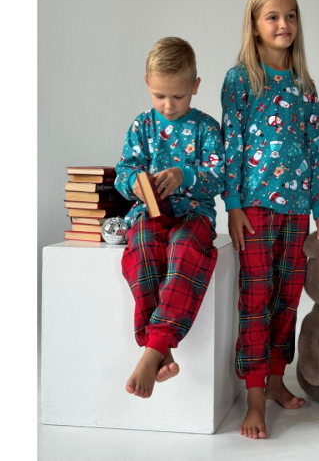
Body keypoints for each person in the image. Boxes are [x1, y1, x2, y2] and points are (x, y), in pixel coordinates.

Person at [220, 0, 319, 438]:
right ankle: (253, 397)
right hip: (254, 207)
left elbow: (316, 147)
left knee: (288, 296)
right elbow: (231, 145)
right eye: (272, 16)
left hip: (298, 208)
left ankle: (275, 379)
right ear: (254, 25)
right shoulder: (240, 80)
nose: (283, 24)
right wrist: (232, 205)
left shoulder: (305, 86)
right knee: (256, 297)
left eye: (291, 16)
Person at [115, 37, 225, 399]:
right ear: (147, 83)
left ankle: (152, 351)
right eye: (159, 95)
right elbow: (123, 171)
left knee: (184, 249)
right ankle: (162, 348)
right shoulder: (142, 125)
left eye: (178, 96)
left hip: (194, 214)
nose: (168, 104)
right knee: (142, 250)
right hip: (148, 211)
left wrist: (184, 175)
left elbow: (219, 178)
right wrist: (134, 183)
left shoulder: (206, 128)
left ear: (195, 86)